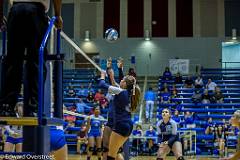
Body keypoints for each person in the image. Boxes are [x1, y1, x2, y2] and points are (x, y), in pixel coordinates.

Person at [0, 0, 63, 116]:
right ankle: (34, 107)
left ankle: (7, 106)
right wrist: (58, 15)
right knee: (36, 60)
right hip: (36, 12)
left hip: (16, 11)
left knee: (13, 61)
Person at [99, 69, 141, 160]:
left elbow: (102, 85)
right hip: (128, 125)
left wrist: (102, 75)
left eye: (123, 80)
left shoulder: (120, 91)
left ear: (125, 84)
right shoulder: (131, 94)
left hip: (120, 124)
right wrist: (111, 76)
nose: (121, 80)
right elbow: (114, 85)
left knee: (111, 155)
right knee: (115, 152)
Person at [102, 57, 125, 160]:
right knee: (105, 148)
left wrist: (113, 69)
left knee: (116, 150)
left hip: (118, 122)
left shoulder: (122, 92)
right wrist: (109, 67)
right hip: (110, 121)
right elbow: (113, 82)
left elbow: (113, 81)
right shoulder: (115, 91)